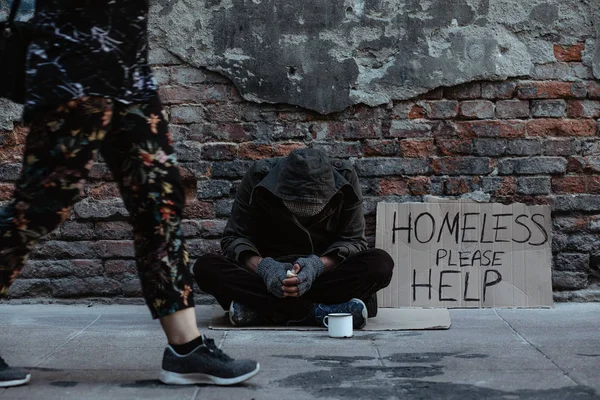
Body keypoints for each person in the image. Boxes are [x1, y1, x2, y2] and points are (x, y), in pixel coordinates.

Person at [0, 0, 259, 387]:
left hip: (129, 71)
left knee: (162, 203)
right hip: (72, 61)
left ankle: (186, 350)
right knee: (41, 206)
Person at [193, 149, 394, 328]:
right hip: (269, 277)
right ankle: (322, 311)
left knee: (380, 264)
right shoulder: (258, 177)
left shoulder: (346, 177)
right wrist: (265, 268)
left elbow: (354, 241)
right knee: (205, 267)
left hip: (324, 274)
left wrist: (317, 266)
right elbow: (234, 238)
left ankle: (264, 311)